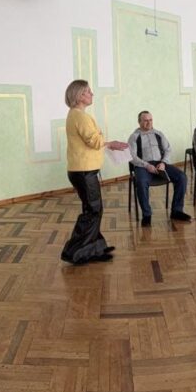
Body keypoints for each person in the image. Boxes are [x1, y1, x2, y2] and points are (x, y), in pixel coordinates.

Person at [62, 79, 128, 265]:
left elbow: (93, 141)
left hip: (81, 171)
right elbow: (94, 141)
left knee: (92, 209)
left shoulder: (75, 114)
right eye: (88, 91)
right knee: (93, 210)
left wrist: (106, 143)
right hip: (84, 171)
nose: (92, 94)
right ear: (79, 96)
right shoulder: (80, 117)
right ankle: (75, 252)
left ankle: (95, 248)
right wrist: (110, 143)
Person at [128, 111, 191, 227]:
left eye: (150, 120)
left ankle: (177, 211)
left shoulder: (159, 134)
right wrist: (146, 165)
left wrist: (163, 162)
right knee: (141, 182)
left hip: (160, 164)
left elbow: (168, 149)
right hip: (143, 166)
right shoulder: (134, 137)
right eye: (145, 120)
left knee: (182, 177)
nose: (149, 123)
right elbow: (131, 156)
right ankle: (147, 215)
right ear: (139, 122)